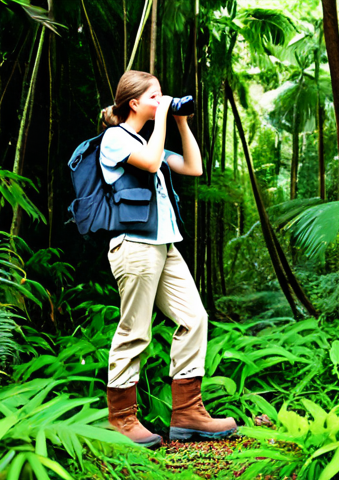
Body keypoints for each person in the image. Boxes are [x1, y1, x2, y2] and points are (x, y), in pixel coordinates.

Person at [98, 70, 237, 447]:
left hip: (165, 245)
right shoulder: (115, 139)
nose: (162, 100)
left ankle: (188, 413)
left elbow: (194, 167)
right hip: (135, 246)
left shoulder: (149, 138)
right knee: (135, 330)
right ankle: (121, 418)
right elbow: (150, 161)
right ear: (134, 103)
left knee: (195, 318)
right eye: (155, 96)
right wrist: (161, 121)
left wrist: (180, 122)